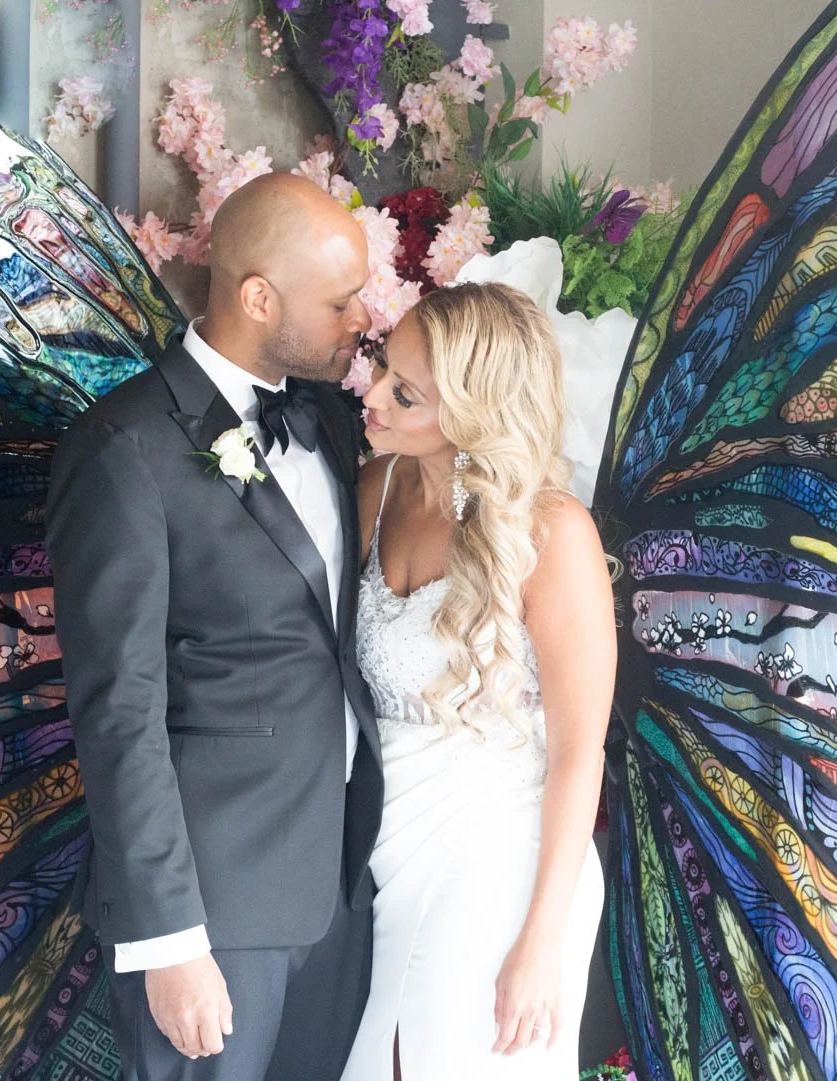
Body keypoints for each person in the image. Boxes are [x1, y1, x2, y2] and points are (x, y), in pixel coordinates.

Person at [45, 172, 384, 1081]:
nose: (364, 317)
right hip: (212, 912)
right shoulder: (123, 449)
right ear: (258, 296)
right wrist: (169, 938)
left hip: (339, 892)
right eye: (342, 299)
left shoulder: (333, 424)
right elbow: (119, 708)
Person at [339, 281, 617, 1080]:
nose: (375, 396)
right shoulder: (375, 489)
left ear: (470, 410)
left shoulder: (552, 532)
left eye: (407, 392)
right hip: (389, 846)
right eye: (385, 368)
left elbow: (578, 751)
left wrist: (542, 937)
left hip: (504, 853)